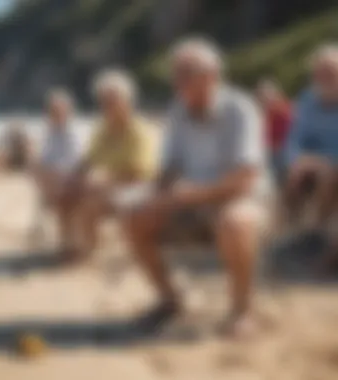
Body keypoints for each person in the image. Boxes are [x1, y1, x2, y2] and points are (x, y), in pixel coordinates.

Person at [124, 38, 272, 337]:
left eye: (185, 74)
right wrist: (158, 193)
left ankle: (242, 311)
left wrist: (194, 193)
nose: (178, 82)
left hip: (242, 197)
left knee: (235, 221)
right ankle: (169, 299)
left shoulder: (240, 109)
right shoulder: (179, 109)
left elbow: (245, 177)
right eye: (176, 75)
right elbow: (170, 165)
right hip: (193, 198)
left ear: (212, 76)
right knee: (134, 215)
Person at [73, 70, 158, 256]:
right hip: (110, 187)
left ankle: (91, 249)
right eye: (103, 102)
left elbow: (140, 172)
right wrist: (77, 177)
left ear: (127, 101)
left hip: (140, 188)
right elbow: (88, 160)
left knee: (92, 203)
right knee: (72, 194)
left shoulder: (139, 130)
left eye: (112, 101)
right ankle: (79, 245)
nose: (107, 106)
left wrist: (104, 180)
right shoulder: (103, 130)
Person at [283, 45, 338, 269]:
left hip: (331, 167)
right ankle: (292, 235)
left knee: (328, 176)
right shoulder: (307, 100)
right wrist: (297, 162)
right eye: (320, 73)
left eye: (331, 73)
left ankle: (318, 233)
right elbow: (294, 140)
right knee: (292, 175)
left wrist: (325, 163)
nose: (325, 78)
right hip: (312, 166)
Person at [33, 89, 83, 262]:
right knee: (39, 169)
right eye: (52, 111)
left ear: (68, 111)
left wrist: (49, 172)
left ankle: (70, 247)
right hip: (57, 183)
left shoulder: (74, 132)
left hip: (72, 181)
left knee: (63, 197)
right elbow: (44, 159)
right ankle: (67, 245)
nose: (54, 114)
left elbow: (76, 163)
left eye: (58, 110)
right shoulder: (50, 133)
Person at [256, 78, 292, 183]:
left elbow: (287, 137)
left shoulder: (283, 111)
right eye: (260, 95)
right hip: (266, 149)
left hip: (280, 150)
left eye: (265, 95)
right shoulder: (257, 112)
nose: (263, 98)